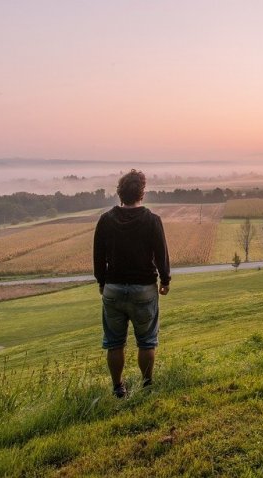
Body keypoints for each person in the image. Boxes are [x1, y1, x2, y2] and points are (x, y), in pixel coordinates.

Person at [93, 169, 170, 397]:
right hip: (144, 289)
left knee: (114, 343)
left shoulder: (106, 220)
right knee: (146, 342)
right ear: (142, 193)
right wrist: (165, 280)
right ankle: (147, 385)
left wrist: (101, 283)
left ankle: (118, 388)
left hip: (113, 289)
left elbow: (98, 256)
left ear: (119, 194)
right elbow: (161, 255)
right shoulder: (152, 220)